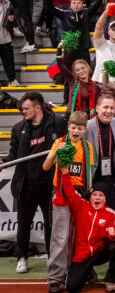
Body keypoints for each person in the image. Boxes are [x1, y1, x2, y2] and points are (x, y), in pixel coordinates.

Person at [3, 92, 67, 273]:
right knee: (23, 223)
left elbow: (69, 144)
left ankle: (51, 255)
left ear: (37, 107)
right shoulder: (18, 128)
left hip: (49, 185)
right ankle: (21, 257)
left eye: (26, 108)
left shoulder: (57, 123)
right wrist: (3, 162)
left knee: (50, 223)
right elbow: (13, 153)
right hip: (26, 185)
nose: (23, 112)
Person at [42, 111, 96, 293]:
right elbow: (46, 166)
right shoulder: (59, 142)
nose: (76, 131)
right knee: (61, 237)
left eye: (80, 128)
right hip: (62, 195)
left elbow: (89, 172)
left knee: (77, 237)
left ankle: (73, 273)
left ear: (84, 130)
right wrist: (56, 152)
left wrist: (88, 193)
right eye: (73, 127)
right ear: (68, 127)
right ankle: (55, 278)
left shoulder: (87, 147)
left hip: (80, 196)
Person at [60, 175, 115, 293]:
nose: (97, 198)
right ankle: (88, 272)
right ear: (90, 197)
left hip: (100, 253)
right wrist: (65, 172)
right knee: (72, 288)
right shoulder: (81, 206)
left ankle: (111, 278)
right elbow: (69, 191)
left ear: (105, 199)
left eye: (101, 195)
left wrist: (113, 234)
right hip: (82, 255)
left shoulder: (110, 213)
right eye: (94, 195)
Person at [0, 0, 19, 86]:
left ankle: (12, 80)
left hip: (6, 38)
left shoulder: (8, 3)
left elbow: (13, 18)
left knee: (9, 62)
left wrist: (12, 20)